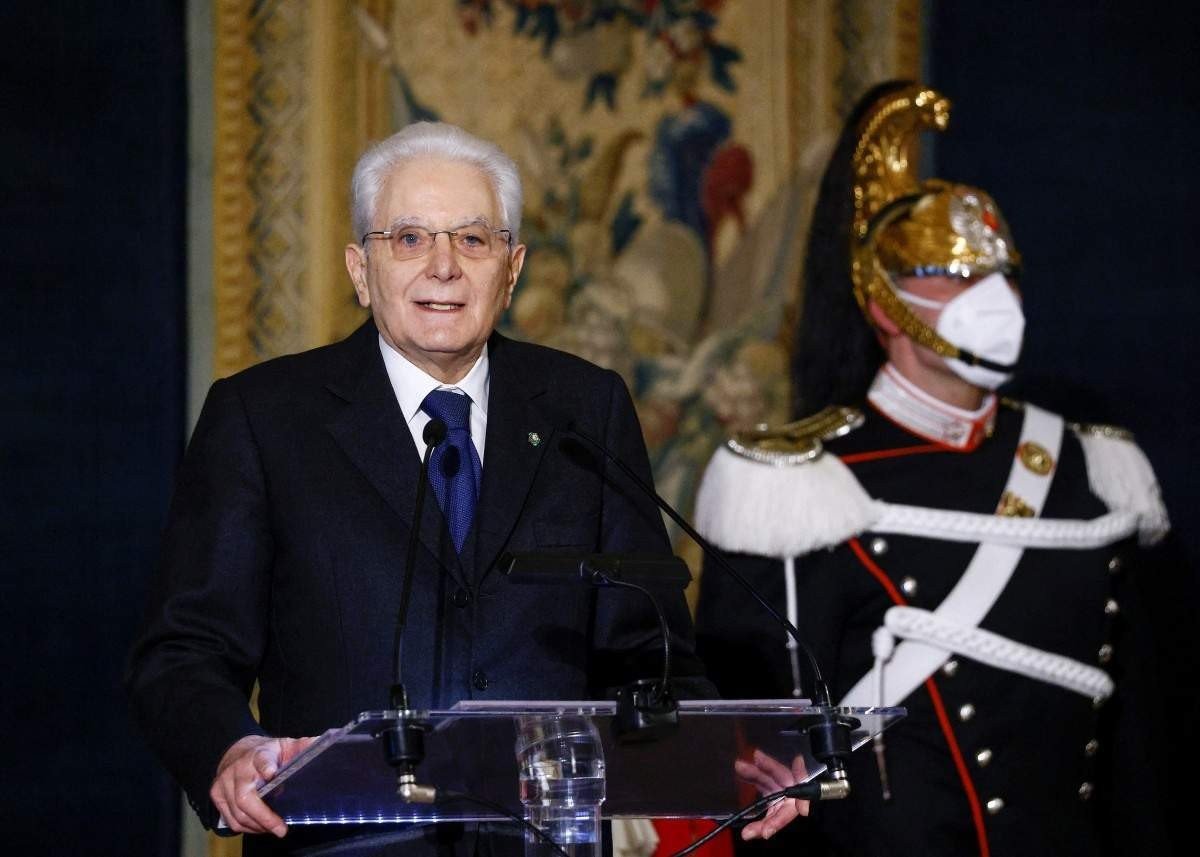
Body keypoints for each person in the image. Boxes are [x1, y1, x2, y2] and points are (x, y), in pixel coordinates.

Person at [127, 122, 731, 856]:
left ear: (511, 270)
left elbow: (651, 650)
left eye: (473, 240)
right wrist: (228, 748)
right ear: (360, 269)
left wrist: (725, 755)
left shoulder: (586, 408)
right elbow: (185, 652)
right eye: (409, 238)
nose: (443, 266)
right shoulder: (264, 418)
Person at [693, 82, 1172, 857]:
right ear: (883, 303)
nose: (992, 298)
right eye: (953, 273)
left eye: (1001, 272)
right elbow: (759, 763)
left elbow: (1139, 750)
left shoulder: (1097, 468)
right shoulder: (791, 485)